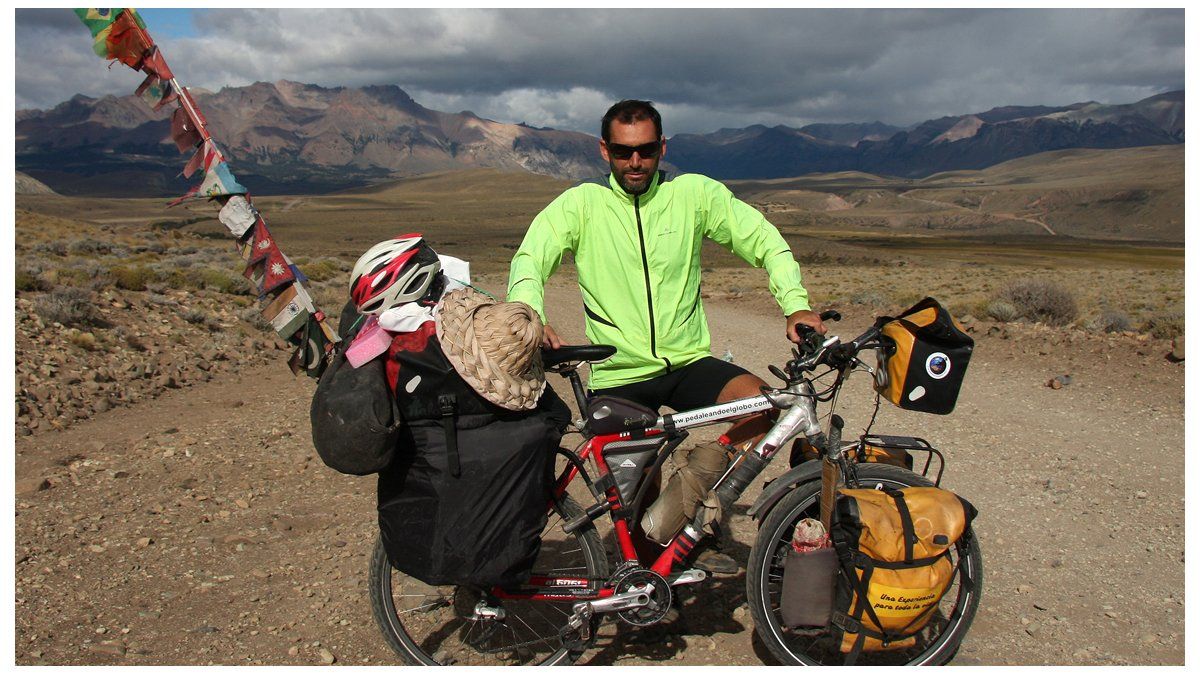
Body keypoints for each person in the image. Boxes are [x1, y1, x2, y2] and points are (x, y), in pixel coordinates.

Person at [507, 99, 826, 573]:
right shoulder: (581, 206)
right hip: (617, 370)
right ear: (604, 151)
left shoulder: (693, 196)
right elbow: (530, 260)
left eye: (646, 150)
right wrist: (532, 313)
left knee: (767, 409)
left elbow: (762, 239)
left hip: (687, 363)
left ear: (662, 147)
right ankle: (653, 575)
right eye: (622, 151)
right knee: (638, 504)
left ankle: (698, 481)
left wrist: (794, 302)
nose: (634, 162)